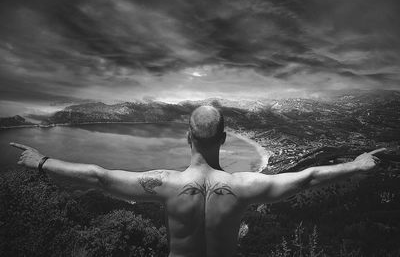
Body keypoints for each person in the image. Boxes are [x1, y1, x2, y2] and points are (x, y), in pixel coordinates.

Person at [10, 105, 385, 257]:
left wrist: (42, 161)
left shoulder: (165, 183)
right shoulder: (246, 185)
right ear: (223, 139)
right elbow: (308, 178)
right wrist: (355, 165)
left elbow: (97, 177)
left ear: (188, 138)